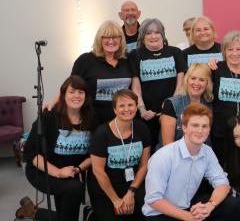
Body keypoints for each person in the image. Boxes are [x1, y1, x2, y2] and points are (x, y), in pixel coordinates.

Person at [143, 102, 240, 220]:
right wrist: (188, 217)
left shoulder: (207, 152)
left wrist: (210, 205)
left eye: (205, 126)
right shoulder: (163, 156)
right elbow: (154, 199)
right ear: (184, 128)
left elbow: (222, 183)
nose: (200, 131)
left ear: (209, 129)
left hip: (187, 206)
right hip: (159, 214)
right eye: (195, 125)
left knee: (232, 204)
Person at [24, 76, 96, 221]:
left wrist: (78, 169)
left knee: (70, 195)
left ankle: (33, 212)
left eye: (81, 92)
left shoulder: (91, 119)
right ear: (63, 95)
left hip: (72, 172)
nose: (77, 96)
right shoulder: (48, 118)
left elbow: (95, 154)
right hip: (43, 170)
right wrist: (58, 172)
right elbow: (30, 154)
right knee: (74, 188)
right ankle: (35, 212)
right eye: (72, 91)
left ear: (86, 96)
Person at [89, 89, 151, 220]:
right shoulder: (102, 134)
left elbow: (144, 165)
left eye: (130, 105)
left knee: (147, 213)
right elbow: (98, 171)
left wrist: (131, 192)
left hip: (133, 184)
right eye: (121, 105)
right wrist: (115, 200)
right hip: (106, 187)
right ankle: (91, 215)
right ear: (114, 109)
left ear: (136, 106)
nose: (127, 109)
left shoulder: (142, 129)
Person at [129, 18, 186, 149]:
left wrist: (169, 108)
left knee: (171, 149)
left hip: (172, 114)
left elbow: (181, 84)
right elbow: (135, 87)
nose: (153, 36)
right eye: (148, 33)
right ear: (142, 37)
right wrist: (142, 110)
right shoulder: (135, 55)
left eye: (157, 32)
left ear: (162, 34)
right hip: (146, 116)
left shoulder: (175, 52)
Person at [70, 20, 132, 123]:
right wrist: (54, 104)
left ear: (121, 40)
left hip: (124, 121)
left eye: (115, 37)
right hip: (94, 122)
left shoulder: (128, 60)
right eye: (106, 37)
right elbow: (70, 88)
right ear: (100, 39)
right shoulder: (85, 60)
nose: (111, 41)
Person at [210, 31, 240, 165]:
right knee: (223, 165)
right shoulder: (216, 69)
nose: (234, 53)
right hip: (221, 130)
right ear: (224, 51)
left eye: (238, 49)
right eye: (230, 49)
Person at [159, 63, 214, 145]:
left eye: (202, 80)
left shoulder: (210, 105)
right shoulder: (172, 104)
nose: (196, 83)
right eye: (193, 78)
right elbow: (167, 145)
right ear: (187, 80)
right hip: (174, 156)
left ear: (207, 83)